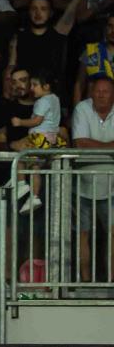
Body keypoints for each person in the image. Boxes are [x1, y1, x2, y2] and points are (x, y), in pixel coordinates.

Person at [71, 75, 114, 282]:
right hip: (83, 183)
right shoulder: (82, 108)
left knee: (113, 235)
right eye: (97, 91)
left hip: (113, 186)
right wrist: (110, 148)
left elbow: (87, 143)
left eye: (106, 91)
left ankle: (112, 282)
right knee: (83, 234)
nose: (101, 95)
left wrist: (94, 146)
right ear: (91, 93)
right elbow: (80, 143)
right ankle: (85, 281)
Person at [10, 70, 65, 212]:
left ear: (46, 87)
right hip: (52, 138)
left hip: (40, 137)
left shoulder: (42, 101)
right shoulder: (55, 99)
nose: (31, 88)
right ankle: (34, 197)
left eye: (35, 85)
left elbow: (36, 121)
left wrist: (20, 122)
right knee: (35, 167)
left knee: (17, 147)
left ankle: (21, 183)